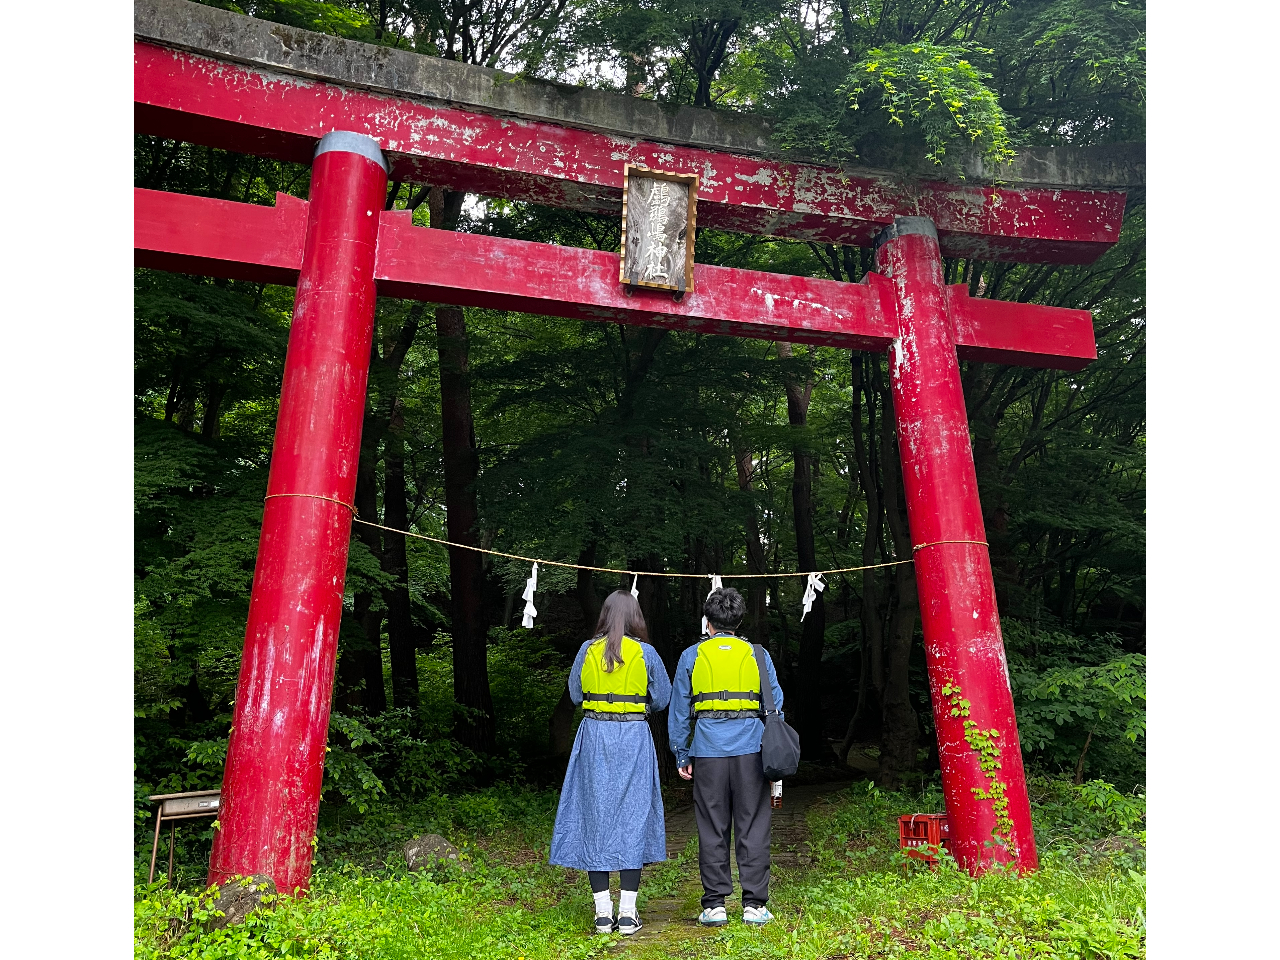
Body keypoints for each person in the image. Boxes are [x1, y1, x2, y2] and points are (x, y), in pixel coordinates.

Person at [549, 590, 672, 936]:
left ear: (604, 615)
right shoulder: (646, 652)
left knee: (595, 818)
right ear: (636, 618)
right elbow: (662, 697)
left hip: (594, 738)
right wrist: (641, 706)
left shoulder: (587, 651)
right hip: (633, 738)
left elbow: (575, 695)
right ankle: (629, 914)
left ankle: (603, 914)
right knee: (633, 818)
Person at [669, 586, 784, 927]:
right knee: (753, 825)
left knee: (711, 827)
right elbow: (775, 705)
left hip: (707, 752)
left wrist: (681, 753)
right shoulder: (759, 655)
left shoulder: (691, 656)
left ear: (708, 622)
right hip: (751, 751)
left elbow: (679, 712)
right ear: (738, 620)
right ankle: (754, 905)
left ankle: (715, 905)